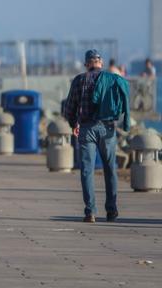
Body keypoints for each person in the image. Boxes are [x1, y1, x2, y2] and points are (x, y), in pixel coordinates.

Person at [64, 49, 128, 223]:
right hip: (107, 128)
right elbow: (121, 104)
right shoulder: (112, 79)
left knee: (87, 170)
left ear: (86, 64)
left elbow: (69, 108)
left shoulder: (79, 80)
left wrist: (73, 124)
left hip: (86, 128)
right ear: (101, 63)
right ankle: (112, 210)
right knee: (110, 169)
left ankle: (90, 211)